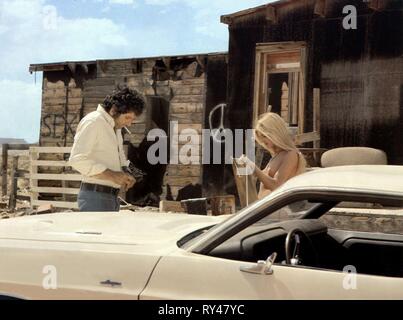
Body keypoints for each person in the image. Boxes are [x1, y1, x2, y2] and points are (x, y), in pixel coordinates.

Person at [69, 87, 145, 212]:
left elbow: (118, 158)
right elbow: (77, 160)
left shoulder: (116, 128)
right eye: (127, 118)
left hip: (112, 197)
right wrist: (113, 175)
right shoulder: (94, 121)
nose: (129, 124)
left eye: (132, 119)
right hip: (95, 197)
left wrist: (127, 173)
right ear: (114, 110)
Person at [238, 112, 306, 199]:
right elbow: (264, 179)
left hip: (279, 209)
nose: (262, 140)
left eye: (264, 136)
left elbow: (276, 186)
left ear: (275, 132)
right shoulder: (277, 155)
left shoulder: (291, 154)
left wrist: (254, 169)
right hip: (266, 207)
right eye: (260, 137)